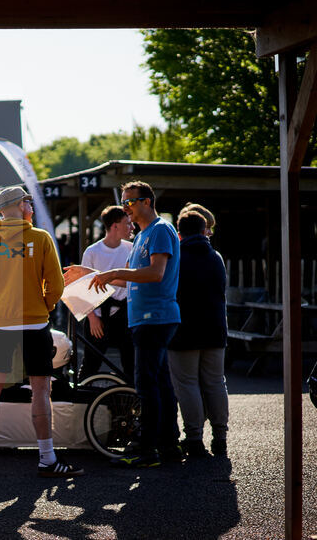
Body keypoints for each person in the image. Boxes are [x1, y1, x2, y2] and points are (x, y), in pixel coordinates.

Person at [0, 186, 80, 478]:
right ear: (21, 205)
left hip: (1, 324)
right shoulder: (40, 238)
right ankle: (47, 458)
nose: (31, 205)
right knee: (41, 390)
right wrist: (43, 305)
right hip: (35, 323)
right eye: (28, 201)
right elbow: (56, 285)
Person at [66, 180, 182, 468]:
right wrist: (92, 273)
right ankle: (168, 446)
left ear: (147, 201)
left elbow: (155, 273)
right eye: (124, 202)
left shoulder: (159, 230)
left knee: (145, 384)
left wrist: (114, 271)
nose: (126, 207)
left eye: (129, 201)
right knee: (160, 384)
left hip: (155, 317)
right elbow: (123, 280)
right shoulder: (143, 236)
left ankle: (147, 449)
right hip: (144, 319)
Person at [169, 210, 230, 457]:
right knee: (216, 382)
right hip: (215, 329)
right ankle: (221, 436)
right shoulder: (216, 257)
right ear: (204, 229)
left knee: (188, 384)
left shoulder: (177, 258)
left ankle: (194, 438)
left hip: (184, 330)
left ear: (179, 231)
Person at [76, 205, 135, 385]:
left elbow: (131, 281)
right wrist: (92, 318)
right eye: (128, 223)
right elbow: (82, 288)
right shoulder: (92, 251)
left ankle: (130, 403)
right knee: (91, 364)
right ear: (115, 226)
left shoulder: (131, 249)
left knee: (130, 363)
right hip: (98, 314)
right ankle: (81, 403)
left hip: (124, 314)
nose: (132, 227)